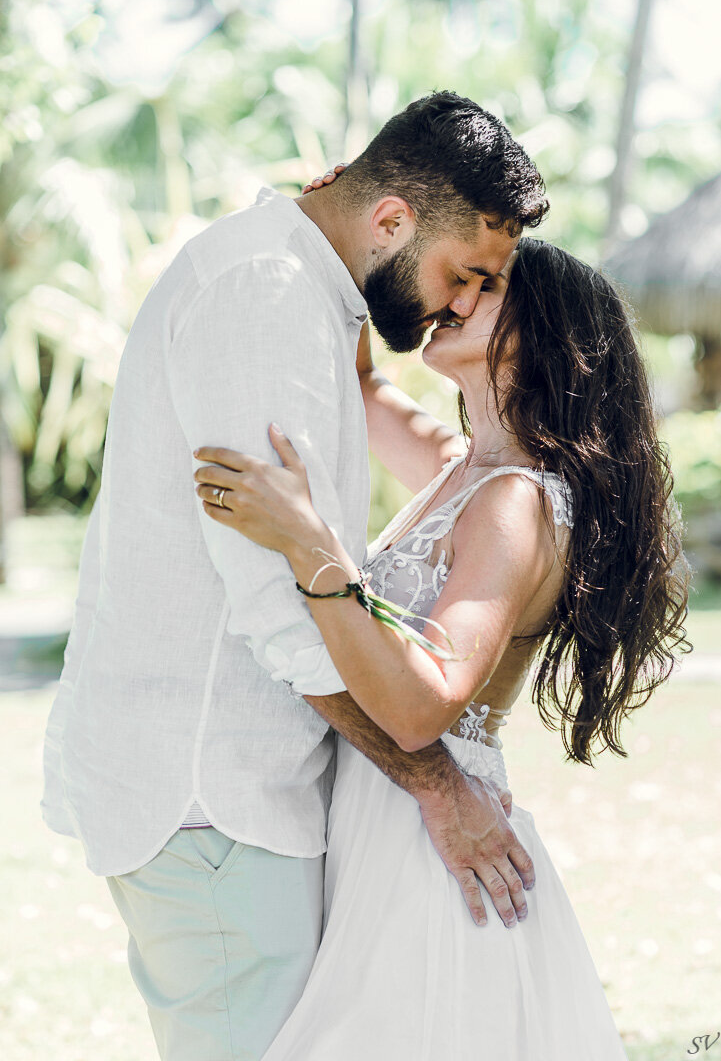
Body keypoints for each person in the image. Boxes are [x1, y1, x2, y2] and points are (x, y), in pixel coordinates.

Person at [40, 92, 551, 1061]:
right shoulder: (266, 294)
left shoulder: (296, 289)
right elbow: (279, 611)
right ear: (392, 220)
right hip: (211, 791)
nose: (462, 302)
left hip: (244, 792)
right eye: (465, 273)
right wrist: (439, 788)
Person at [193, 233, 691, 1059]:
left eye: (482, 285)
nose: (452, 294)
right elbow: (360, 383)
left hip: (426, 840)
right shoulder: (456, 466)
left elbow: (424, 705)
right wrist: (348, 242)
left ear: (541, 330)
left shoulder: (515, 505)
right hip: (376, 810)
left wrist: (307, 544)